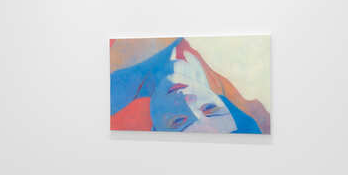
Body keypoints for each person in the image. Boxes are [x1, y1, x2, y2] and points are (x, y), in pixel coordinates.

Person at [109, 37, 264, 134]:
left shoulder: (114, 89)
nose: (187, 99)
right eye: (210, 108)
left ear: (155, 128)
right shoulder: (209, 69)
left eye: (178, 121)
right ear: (221, 100)